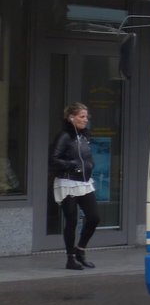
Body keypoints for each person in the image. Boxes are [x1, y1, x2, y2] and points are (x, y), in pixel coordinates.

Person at [50, 103, 100, 270]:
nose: (86, 119)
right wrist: (73, 164)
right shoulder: (64, 136)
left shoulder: (85, 136)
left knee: (94, 218)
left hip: (84, 183)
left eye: (87, 116)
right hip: (67, 182)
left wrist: (89, 165)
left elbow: (86, 157)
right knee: (71, 221)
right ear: (71, 118)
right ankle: (70, 258)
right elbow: (53, 159)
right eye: (82, 116)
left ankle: (80, 250)